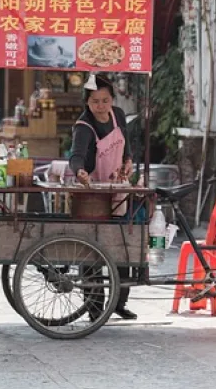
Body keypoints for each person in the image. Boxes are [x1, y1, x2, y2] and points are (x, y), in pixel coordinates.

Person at [68, 74, 136, 321]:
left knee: (121, 245)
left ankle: (119, 302)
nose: (101, 106)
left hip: (117, 189)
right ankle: (94, 306)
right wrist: (80, 172)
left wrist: (128, 161)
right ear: (87, 102)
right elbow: (75, 156)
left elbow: (126, 145)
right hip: (92, 194)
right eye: (95, 101)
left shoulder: (118, 115)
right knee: (93, 250)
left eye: (105, 100)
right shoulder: (83, 126)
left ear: (112, 100)